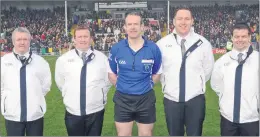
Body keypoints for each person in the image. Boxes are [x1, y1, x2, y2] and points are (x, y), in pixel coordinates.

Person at [156, 7, 214, 136]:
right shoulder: (162, 44)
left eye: (187, 19)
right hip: (171, 99)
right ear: (174, 21)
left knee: (195, 134)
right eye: (180, 18)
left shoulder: (203, 43)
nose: (183, 22)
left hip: (195, 99)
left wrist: (196, 83)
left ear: (192, 21)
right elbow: (159, 70)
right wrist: (168, 84)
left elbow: (208, 69)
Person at [108, 12, 162, 136]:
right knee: (123, 135)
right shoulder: (116, 48)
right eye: (129, 24)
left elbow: (157, 73)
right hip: (123, 99)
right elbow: (111, 73)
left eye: (136, 24)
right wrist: (123, 87)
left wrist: (146, 86)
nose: (133, 27)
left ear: (142, 27)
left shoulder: (153, 48)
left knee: (146, 135)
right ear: (125, 27)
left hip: (145, 98)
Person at [55, 25, 111, 136]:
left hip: (95, 111)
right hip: (73, 111)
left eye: (86, 36)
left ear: (91, 39)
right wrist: (69, 95)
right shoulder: (63, 60)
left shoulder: (102, 58)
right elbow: (60, 82)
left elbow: (108, 81)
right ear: (74, 39)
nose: (83, 39)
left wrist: (99, 95)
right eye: (79, 37)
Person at [1, 27, 51, 136]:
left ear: (29, 41)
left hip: (35, 115)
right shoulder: (3, 62)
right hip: (12, 114)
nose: (22, 42)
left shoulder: (41, 62)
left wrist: (35, 99)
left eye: (25, 39)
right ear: (13, 42)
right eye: (19, 39)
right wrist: (7, 101)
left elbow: (46, 86)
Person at [211, 23, 259, 136]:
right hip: (228, 119)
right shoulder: (222, 62)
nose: (240, 39)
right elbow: (215, 85)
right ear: (232, 38)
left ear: (249, 37)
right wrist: (225, 99)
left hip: (252, 119)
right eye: (237, 36)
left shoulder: (257, 59)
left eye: (243, 36)